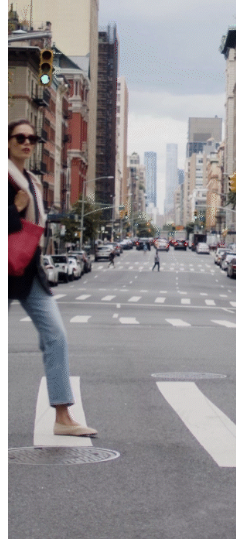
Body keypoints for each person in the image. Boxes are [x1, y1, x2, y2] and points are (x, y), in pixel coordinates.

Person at [8, 120, 97, 437]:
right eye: (20, 137)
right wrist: (14, 210)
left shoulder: (31, 179)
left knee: (56, 337)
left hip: (29, 269)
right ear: (7, 142)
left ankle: (62, 416)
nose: (27, 142)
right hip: (8, 264)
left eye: (32, 138)